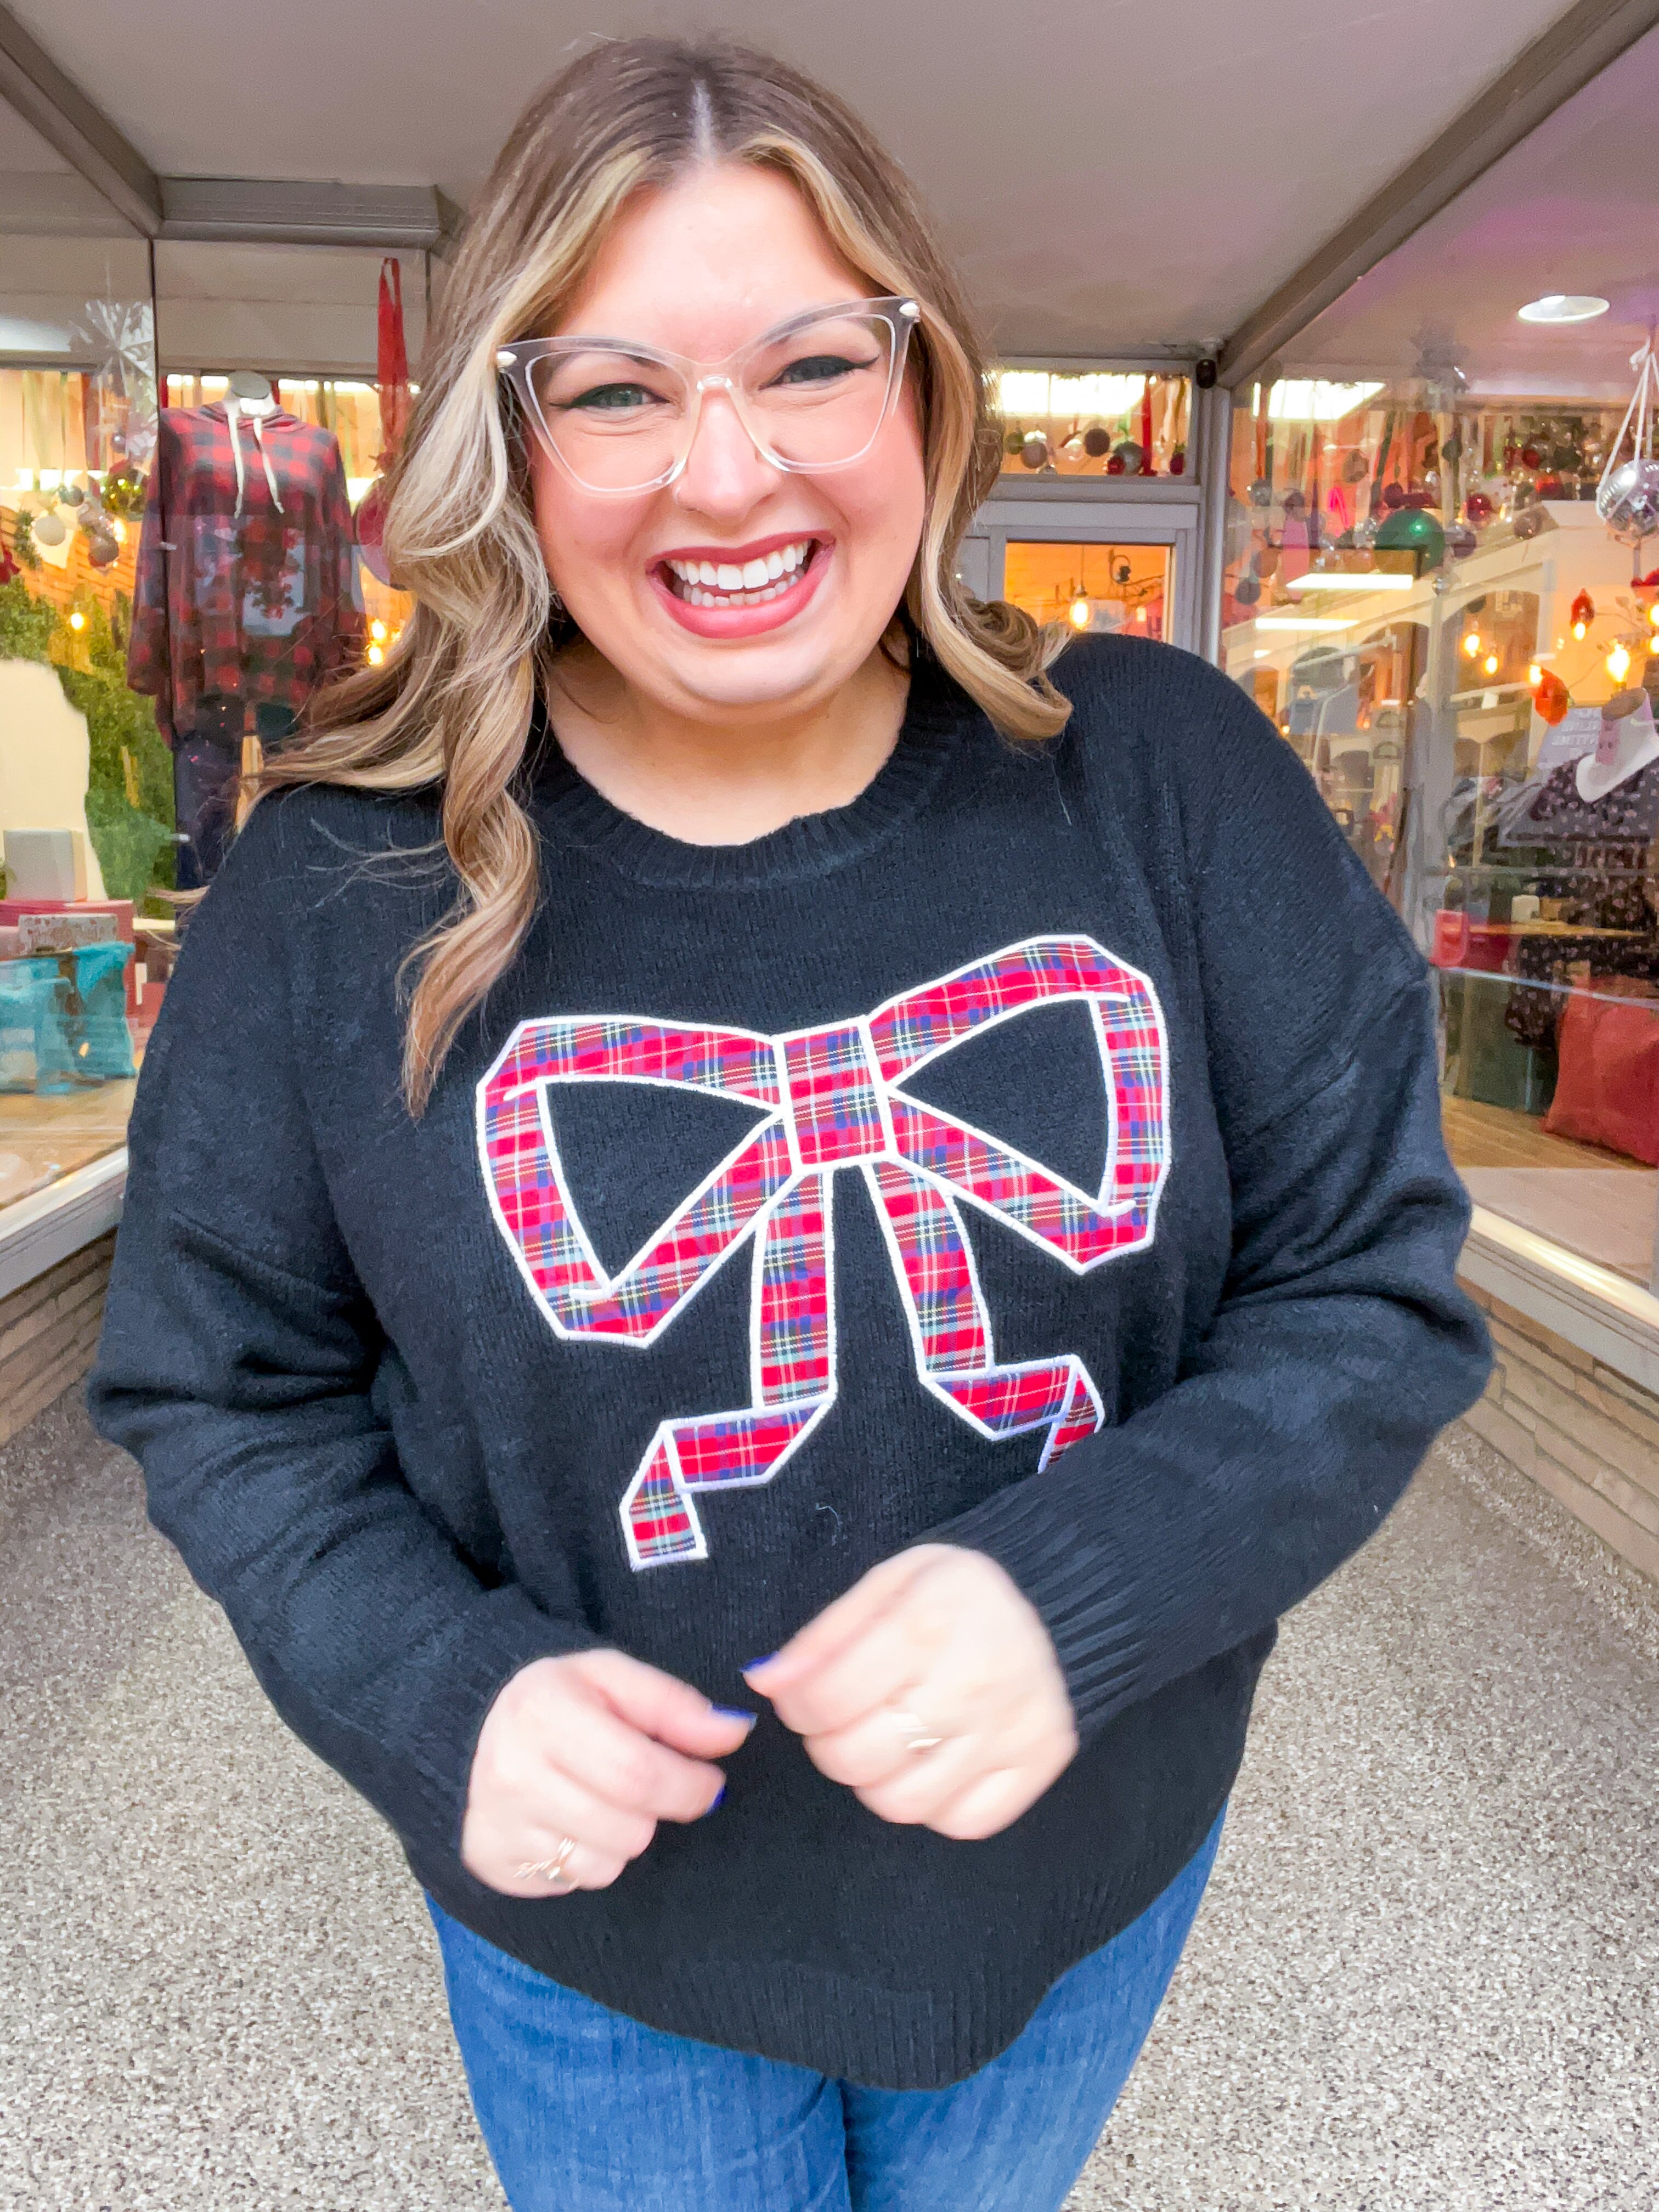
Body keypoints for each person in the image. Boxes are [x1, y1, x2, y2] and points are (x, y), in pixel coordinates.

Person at [88, 37, 1490, 2212]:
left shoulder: (1162, 775)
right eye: (621, 389)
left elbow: (1373, 1288)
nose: (725, 476)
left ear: (923, 391)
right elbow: (221, 1391)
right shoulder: (340, 885)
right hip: (607, 1944)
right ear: (519, 442)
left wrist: (1093, 1587)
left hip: (1085, 1878)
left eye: (810, 365)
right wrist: (436, 1690)